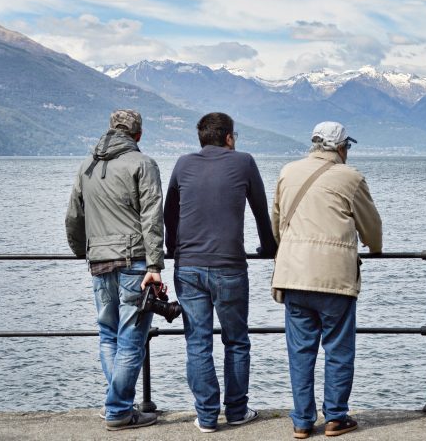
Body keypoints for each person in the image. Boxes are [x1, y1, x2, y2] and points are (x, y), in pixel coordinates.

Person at [164, 112, 278, 433]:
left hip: (187, 266)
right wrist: (269, 249)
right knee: (236, 341)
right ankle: (238, 410)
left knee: (197, 342)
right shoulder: (244, 162)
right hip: (229, 266)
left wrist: (173, 247)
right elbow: (260, 212)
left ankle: (207, 417)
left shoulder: (183, 164)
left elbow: (169, 212)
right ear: (229, 137)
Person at [270, 121, 382, 438]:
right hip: (334, 278)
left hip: (294, 276)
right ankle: (335, 417)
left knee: (300, 352)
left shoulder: (288, 172)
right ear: (341, 147)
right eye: (348, 146)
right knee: (338, 350)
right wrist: (375, 248)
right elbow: (371, 225)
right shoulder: (351, 177)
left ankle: (302, 422)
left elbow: (277, 224)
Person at [65, 109, 164, 431]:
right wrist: (154, 265)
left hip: (99, 261)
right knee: (132, 339)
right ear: (138, 135)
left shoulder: (87, 166)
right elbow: (152, 217)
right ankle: (119, 410)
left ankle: (117, 403)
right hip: (134, 262)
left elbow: (73, 217)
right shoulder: (143, 164)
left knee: (108, 334)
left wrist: (84, 252)